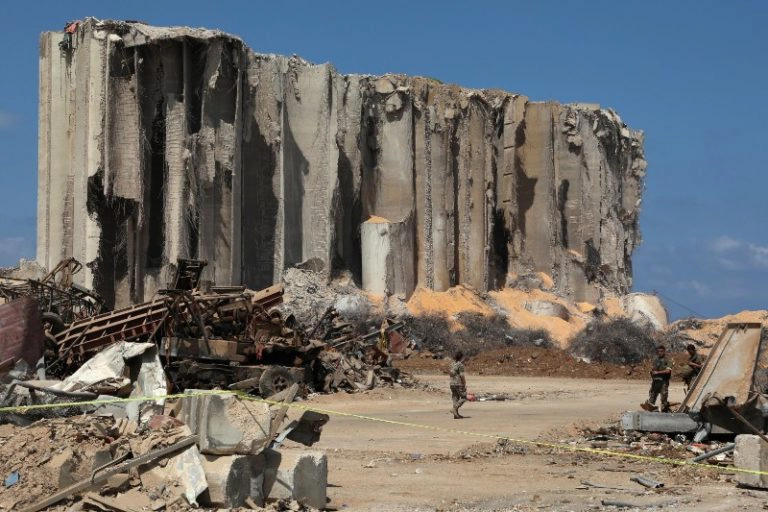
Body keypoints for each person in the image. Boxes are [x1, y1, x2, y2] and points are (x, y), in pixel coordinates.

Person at [644, 345, 672, 412]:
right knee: (652, 398)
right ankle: (650, 411)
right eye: (659, 351)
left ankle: (664, 412)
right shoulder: (656, 360)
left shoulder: (668, 360)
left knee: (663, 399)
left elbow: (668, 371)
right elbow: (653, 369)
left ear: (664, 351)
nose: (660, 353)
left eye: (661, 351)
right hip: (655, 382)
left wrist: (658, 372)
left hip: (663, 382)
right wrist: (652, 372)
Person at [449, 351, 467, 419]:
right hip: (458, 383)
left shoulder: (452, 364)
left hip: (452, 383)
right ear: (461, 357)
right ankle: (454, 409)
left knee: (455, 398)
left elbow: (450, 373)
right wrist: (464, 383)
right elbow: (462, 375)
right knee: (464, 397)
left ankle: (456, 414)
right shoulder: (460, 365)